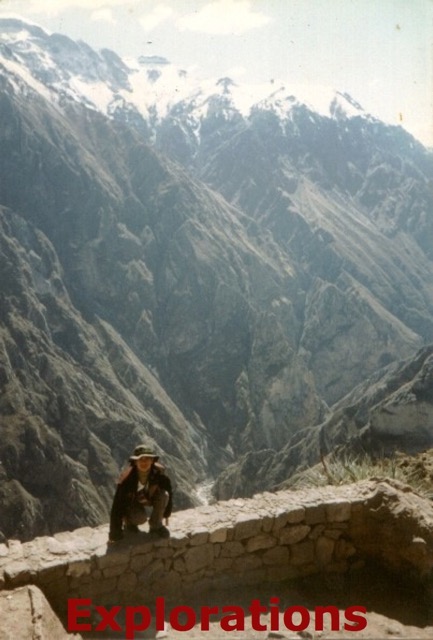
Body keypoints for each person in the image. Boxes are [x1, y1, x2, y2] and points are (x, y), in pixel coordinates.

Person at [108, 444, 172, 542]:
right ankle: (129, 524)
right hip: (132, 503)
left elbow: (169, 490)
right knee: (140, 518)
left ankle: (156, 526)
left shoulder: (158, 473)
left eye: (147, 459)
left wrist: (167, 513)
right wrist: (115, 532)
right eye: (140, 459)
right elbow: (117, 505)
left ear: (152, 461)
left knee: (164, 495)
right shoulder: (126, 479)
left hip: (149, 496)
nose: (144, 462)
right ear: (135, 462)